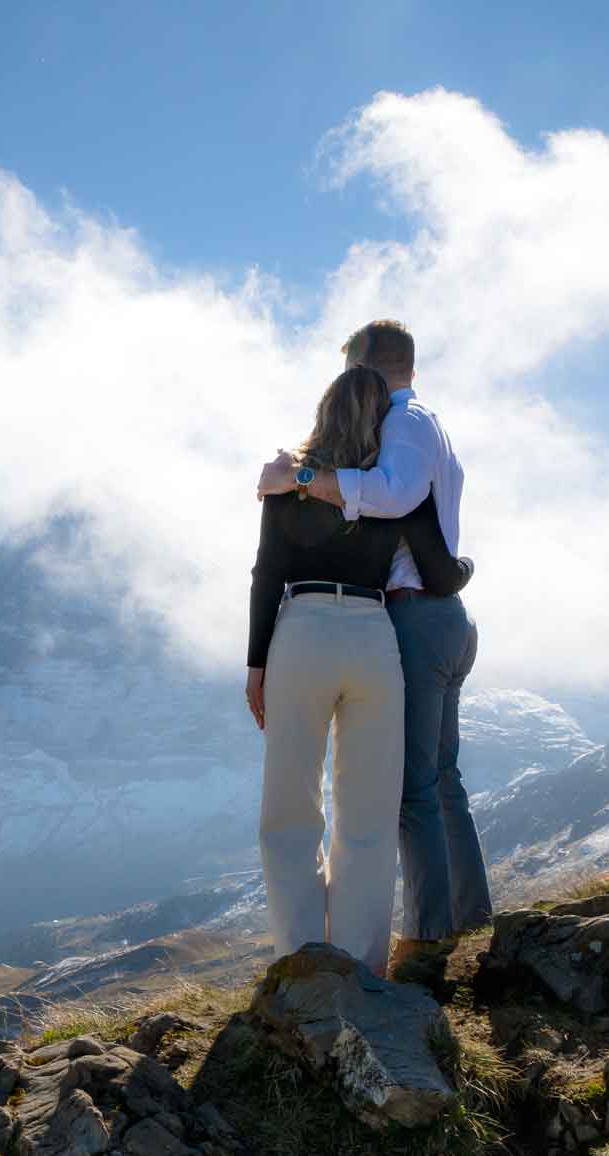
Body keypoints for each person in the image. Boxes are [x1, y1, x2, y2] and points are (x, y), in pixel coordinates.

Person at [257, 320, 489, 971]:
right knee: (440, 781)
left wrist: (301, 476)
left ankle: (428, 941)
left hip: (411, 618)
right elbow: (428, 531)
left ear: (366, 368)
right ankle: (466, 918)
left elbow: (392, 498)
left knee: (408, 790)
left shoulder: (404, 427)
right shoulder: (431, 426)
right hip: (438, 610)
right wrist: (460, 571)